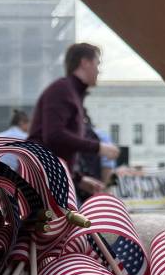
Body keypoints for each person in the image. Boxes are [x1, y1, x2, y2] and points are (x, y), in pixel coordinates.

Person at [28, 43, 120, 196]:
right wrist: (98, 148)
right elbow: (54, 135)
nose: (99, 70)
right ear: (85, 63)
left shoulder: (69, 91)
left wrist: (78, 179)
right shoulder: (63, 90)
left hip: (49, 181)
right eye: (97, 63)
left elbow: (57, 149)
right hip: (43, 184)